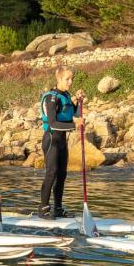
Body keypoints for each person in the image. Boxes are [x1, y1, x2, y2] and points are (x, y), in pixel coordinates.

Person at [39, 66, 84, 219]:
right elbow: (52, 123)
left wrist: (78, 103)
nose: (70, 82)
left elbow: (71, 115)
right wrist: (75, 125)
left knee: (62, 175)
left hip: (62, 141)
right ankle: (43, 209)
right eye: (67, 79)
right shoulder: (51, 98)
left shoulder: (66, 95)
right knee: (51, 173)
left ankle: (58, 208)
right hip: (51, 139)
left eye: (72, 79)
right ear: (58, 79)